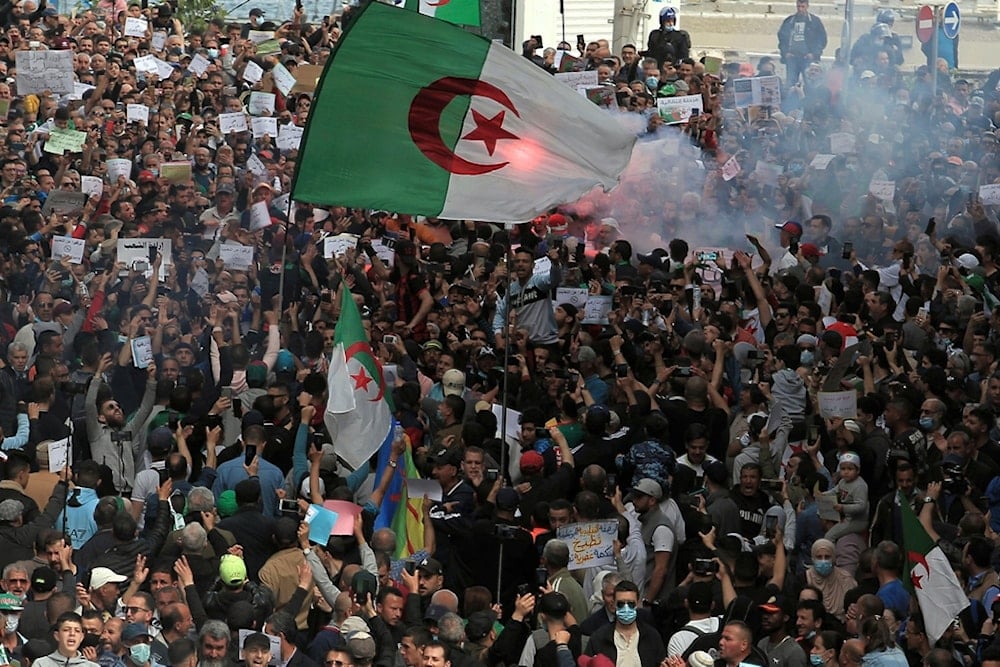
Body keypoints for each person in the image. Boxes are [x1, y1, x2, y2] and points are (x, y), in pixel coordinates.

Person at [585, 580, 665, 665]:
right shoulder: (599, 638)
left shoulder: (652, 637)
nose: (626, 608)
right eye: (621, 604)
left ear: (637, 604)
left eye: (631, 604)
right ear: (614, 604)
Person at [777, 0, 827, 86]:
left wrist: (814, 54)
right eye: (798, 6)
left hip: (808, 58)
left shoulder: (815, 21)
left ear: (807, 6)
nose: (800, 9)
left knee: (809, 83)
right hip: (792, 58)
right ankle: (791, 99)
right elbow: (782, 38)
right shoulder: (789, 21)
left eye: (802, 7)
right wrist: (785, 52)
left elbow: (822, 39)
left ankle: (809, 99)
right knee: (790, 84)